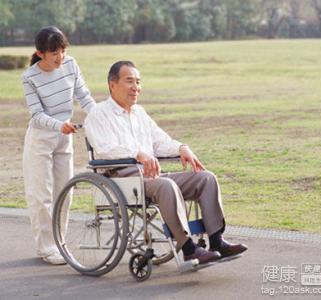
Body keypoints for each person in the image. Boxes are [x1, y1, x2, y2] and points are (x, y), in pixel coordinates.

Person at [84, 60, 247, 265]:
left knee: (206, 179)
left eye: (138, 82)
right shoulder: (98, 114)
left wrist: (181, 148)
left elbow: (160, 141)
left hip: (151, 176)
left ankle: (216, 241)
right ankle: (188, 249)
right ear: (112, 84)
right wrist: (138, 153)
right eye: (129, 81)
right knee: (166, 185)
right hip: (122, 178)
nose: (136, 87)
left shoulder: (139, 113)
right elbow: (104, 149)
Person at [22, 27, 96, 265]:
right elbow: (36, 115)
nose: (60, 57)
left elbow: (84, 96)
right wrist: (58, 125)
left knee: (65, 192)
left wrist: (101, 117)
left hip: (65, 137)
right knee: (41, 195)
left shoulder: (71, 65)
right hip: (40, 139)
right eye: (54, 52)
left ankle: (59, 243)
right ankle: (46, 247)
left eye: (63, 50)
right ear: (40, 53)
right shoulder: (29, 77)